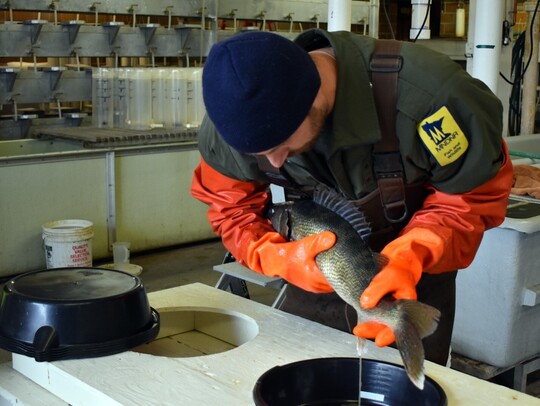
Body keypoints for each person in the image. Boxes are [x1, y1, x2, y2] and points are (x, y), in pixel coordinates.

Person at [190, 28, 513, 366]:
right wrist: (279, 258)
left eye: (279, 146)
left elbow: (471, 202)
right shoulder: (233, 122)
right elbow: (231, 210)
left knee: (404, 391)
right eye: (260, 153)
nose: (273, 162)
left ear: (311, 95)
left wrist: (412, 254)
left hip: (414, 281)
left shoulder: (434, 100)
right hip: (319, 274)